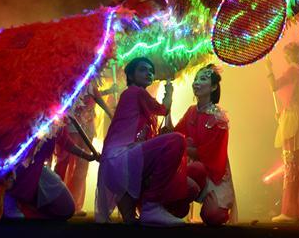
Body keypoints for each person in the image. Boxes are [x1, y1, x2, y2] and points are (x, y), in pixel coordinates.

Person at [95, 57, 194, 226]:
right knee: (176, 141)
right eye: (142, 69)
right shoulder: (136, 92)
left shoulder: (132, 95)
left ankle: (139, 209)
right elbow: (164, 109)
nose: (149, 72)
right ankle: (151, 206)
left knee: (132, 223)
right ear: (131, 76)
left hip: (114, 165)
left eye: (151, 70)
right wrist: (169, 91)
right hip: (123, 160)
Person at [168, 64, 237, 226]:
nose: (196, 83)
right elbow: (174, 135)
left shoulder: (219, 118)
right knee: (177, 209)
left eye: (203, 79)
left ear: (213, 87)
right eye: (196, 79)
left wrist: (184, 145)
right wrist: (168, 105)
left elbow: (209, 154)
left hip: (214, 171)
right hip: (194, 168)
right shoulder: (191, 111)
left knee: (214, 216)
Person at [4, 125, 98, 220]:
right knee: (14, 217)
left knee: (66, 209)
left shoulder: (55, 120)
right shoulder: (26, 119)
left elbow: (64, 140)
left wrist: (86, 156)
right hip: (14, 176)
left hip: (38, 172)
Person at [53, 78, 113, 215]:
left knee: (82, 166)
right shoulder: (67, 80)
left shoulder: (91, 83)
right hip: (69, 128)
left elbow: (101, 101)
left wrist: (113, 116)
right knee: (64, 162)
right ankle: (57, 201)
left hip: (88, 129)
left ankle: (74, 205)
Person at [266, 42, 299, 222]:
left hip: (292, 121)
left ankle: (290, 211)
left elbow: (274, 86)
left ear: (292, 56)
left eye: (287, 55)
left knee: (291, 164)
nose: (285, 59)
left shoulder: (293, 70)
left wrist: (269, 69)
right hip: (296, 116)